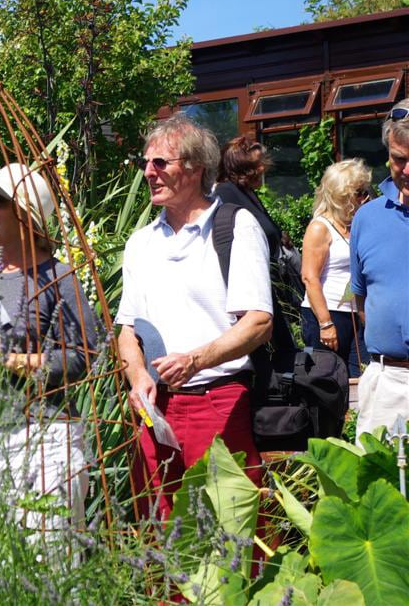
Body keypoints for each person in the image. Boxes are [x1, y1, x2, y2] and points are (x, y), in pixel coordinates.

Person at [116, 114, 273, 518]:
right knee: (161, 529)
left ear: (194, 167)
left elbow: (258, 321)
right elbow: (126, 329)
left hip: (218, 401)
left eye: (160, 163)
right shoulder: (141, 243)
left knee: (231, 530)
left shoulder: (235, 227)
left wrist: (195, 360)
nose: (148, 172)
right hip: (156, 413)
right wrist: (138, 379)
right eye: (146, 163)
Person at [0, 163, 98, 529]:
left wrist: (8, 359)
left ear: (27, 214)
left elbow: (84, 356)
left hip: (44, 439)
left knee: (47, 557)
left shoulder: (57, 279)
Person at [351, 98, 409, 442]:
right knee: (378, 491)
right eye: (400, 159)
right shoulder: (367, 218)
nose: (407, 171)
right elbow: (361, 301)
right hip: (388, 383)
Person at [215, 136, 299, 350]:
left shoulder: (247, 192)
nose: (263, 168)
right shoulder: (225, 193)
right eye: (257, 164)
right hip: (252, 294)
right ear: (241, 167)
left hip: (270, 287)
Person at [299, 159, 372, 380]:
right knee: (329, 380)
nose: (365, 197)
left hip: (356, 311)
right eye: (359, 192)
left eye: (366, 190)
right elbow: (309, 277)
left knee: (362, 374)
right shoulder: (320, 227)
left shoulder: (356, 223)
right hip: (328, 312)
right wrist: (325, 323)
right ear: (342, 195)